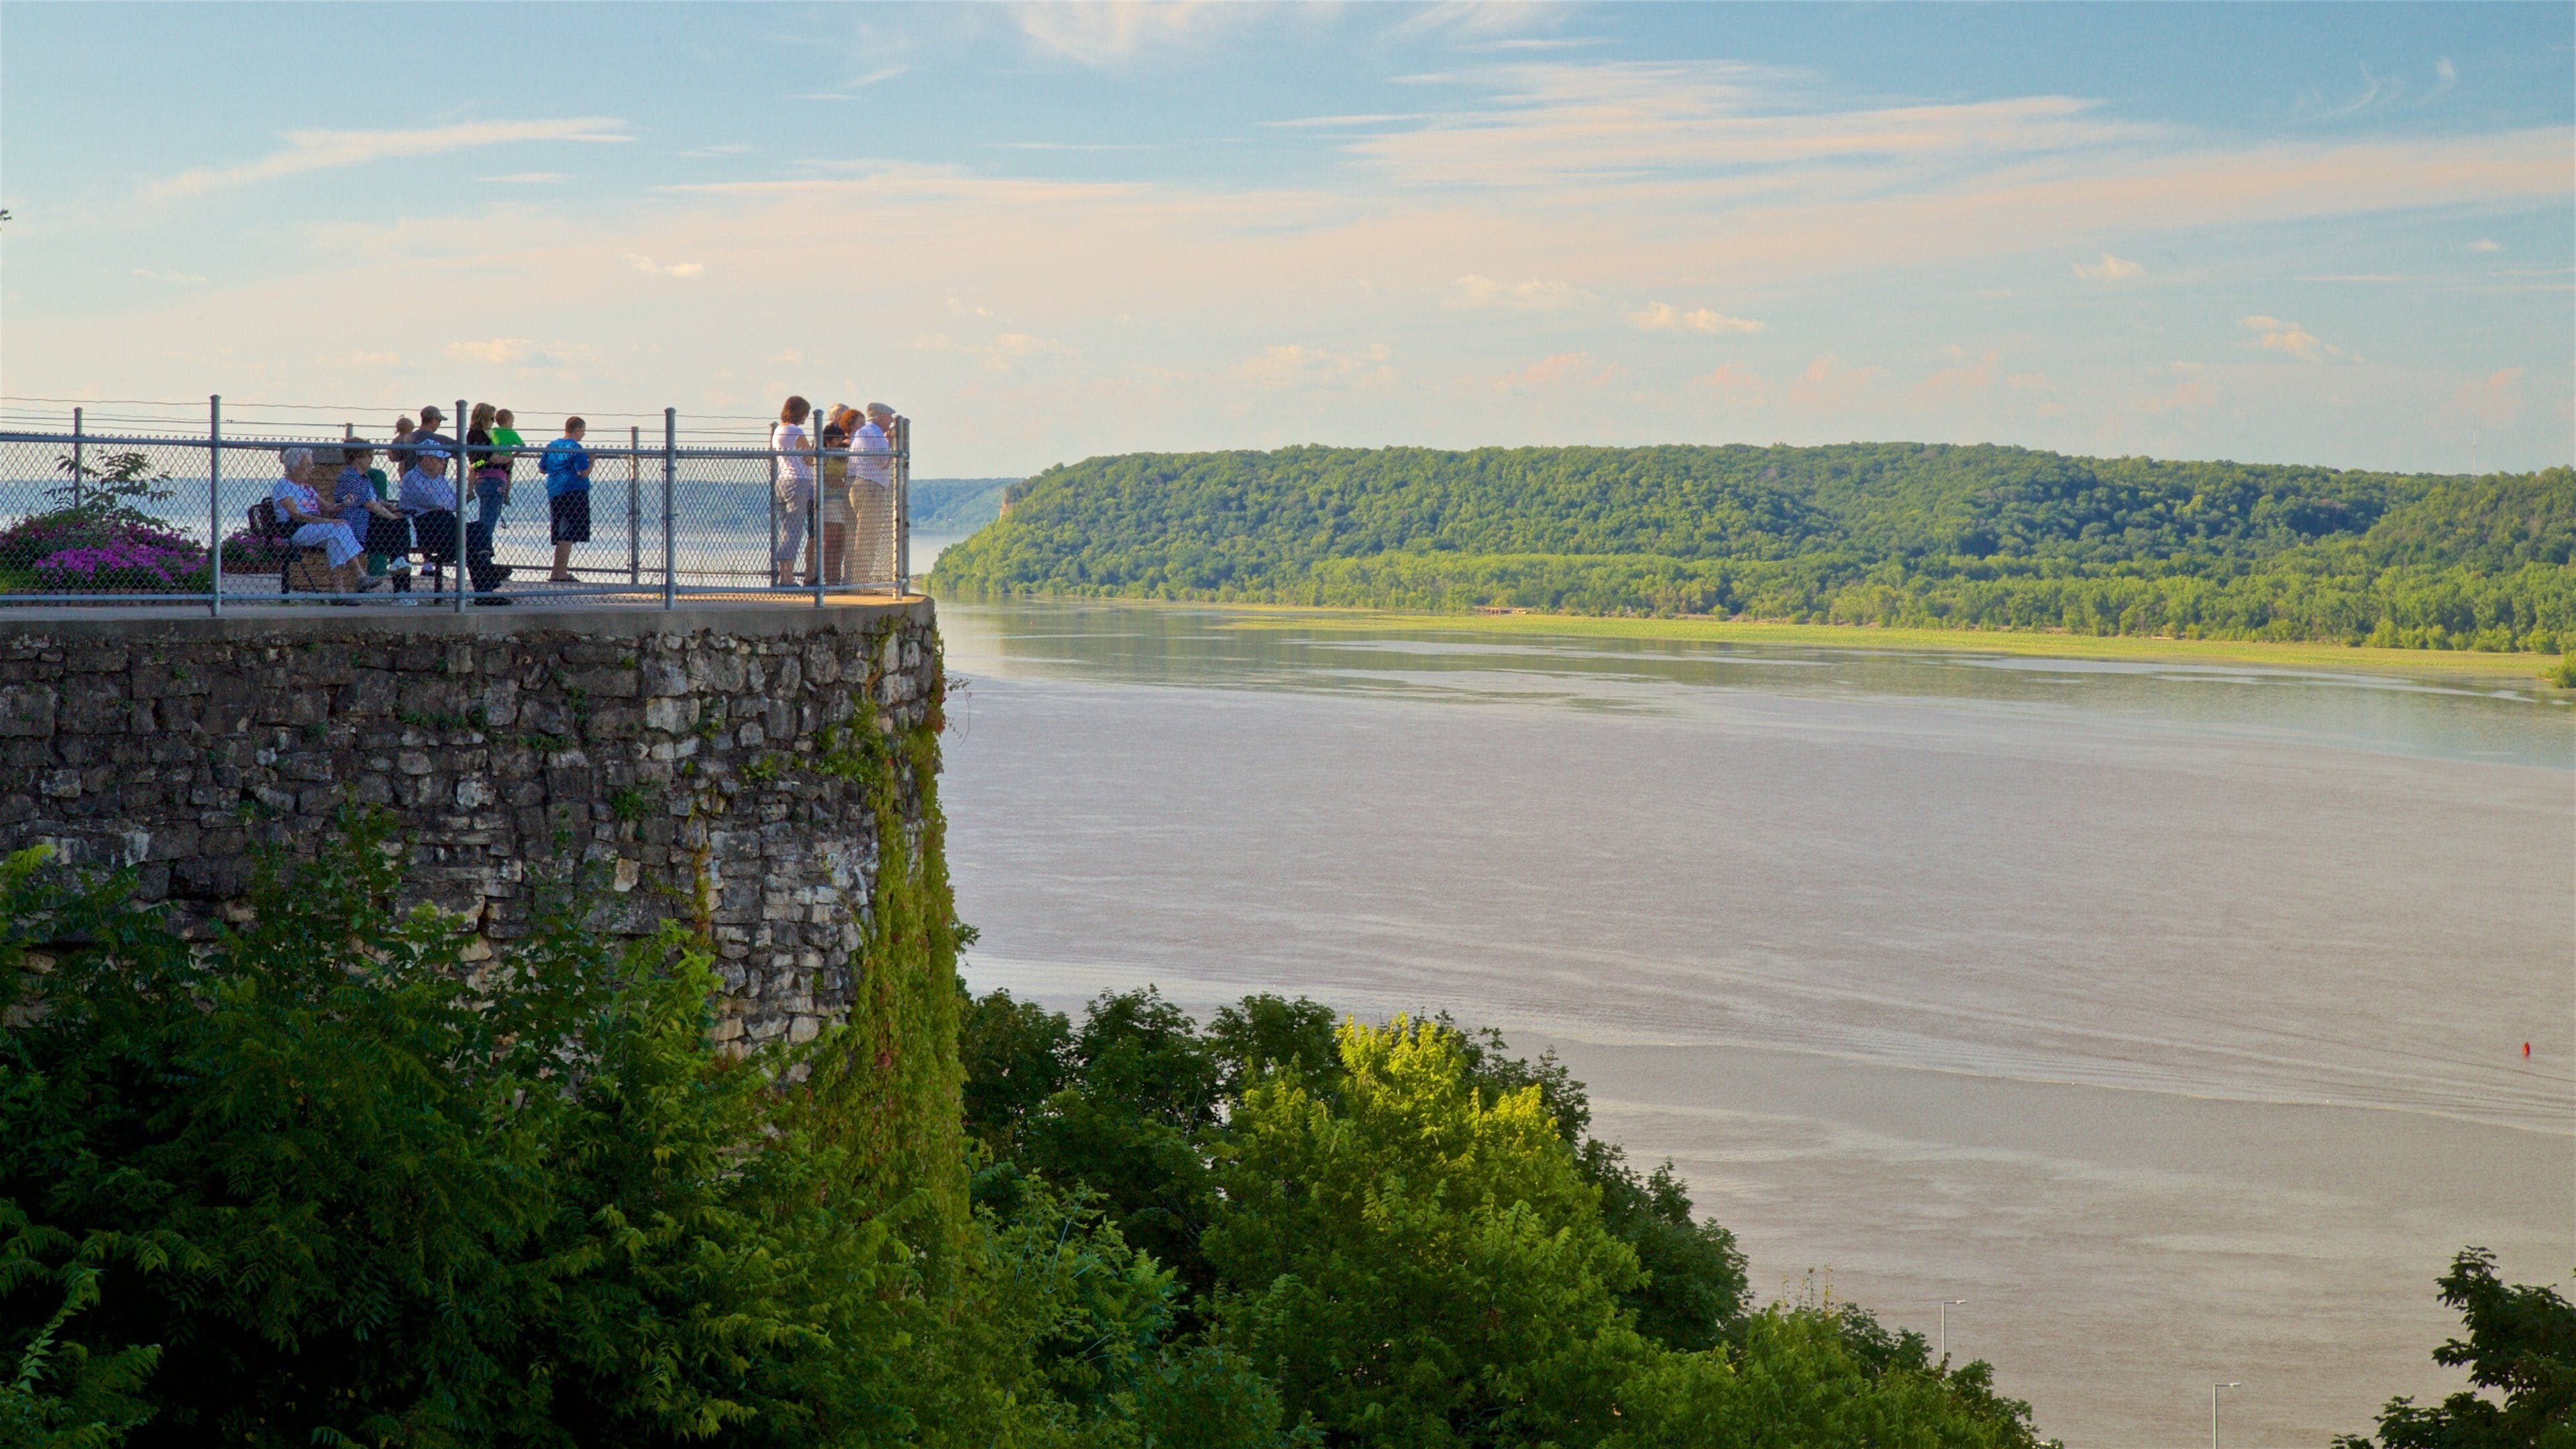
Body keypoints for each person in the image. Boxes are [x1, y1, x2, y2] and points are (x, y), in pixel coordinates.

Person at [271, 447, 372, 594]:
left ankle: (339, 592)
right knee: (341, 528)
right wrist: (328, 522)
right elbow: (296, 515)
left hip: (314, 528)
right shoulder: (284, 486)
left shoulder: (307, 488)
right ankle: (360, 574)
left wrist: (345, 504)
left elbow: (329, 508)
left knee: (335, 540)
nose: (311, 469)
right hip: (295, 528)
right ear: (295, 466)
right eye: (308, 465)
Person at [328, 444, 411, 590]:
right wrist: (393, 518)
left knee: (401, 530)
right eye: (368, 456)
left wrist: (391, 507)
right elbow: (370, 504)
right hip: (357, 525)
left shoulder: (364, 478)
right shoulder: (350, 477)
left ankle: (399, 565)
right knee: (399, 525)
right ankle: (399, 565)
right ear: (358, 458)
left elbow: (375, 499)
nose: (371, 459)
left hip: (369, 523)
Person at [540, 416, 593, 583]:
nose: (584, 434)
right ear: (578, 430)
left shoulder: (552, 445)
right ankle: (560, 572)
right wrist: (592, 461)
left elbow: (542, 469)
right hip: (573, 490)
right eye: (583, 431)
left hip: (555, 491)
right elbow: (582, 472)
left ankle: (557, 571)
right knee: (569, 533)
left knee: (561, 531)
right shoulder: (576, 448)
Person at [851, 402, 898, 589]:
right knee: (868, 537)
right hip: (871, 488)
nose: (891, 421)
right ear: (880, 417)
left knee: (862, 536)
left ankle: (858, 581)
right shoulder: (875, 434)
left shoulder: (863, 432)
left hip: (861, 486)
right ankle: (860, 583)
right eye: (889, 417)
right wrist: (892, 443)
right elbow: (883, 462)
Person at [771, 395, 816, 588]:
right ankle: (787, 577)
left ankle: (784, 573)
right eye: (806, 413)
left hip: (782, 480)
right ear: (800, 413)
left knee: (785, 529)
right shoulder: (795, 430)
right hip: (798, 482)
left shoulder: (778, 430)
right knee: (794, 531)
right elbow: (809, 458)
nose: (806, 417)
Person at [816, 418, 853, 585]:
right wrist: (838, 480)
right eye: (837, 440)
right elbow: (828, 479)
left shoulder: (843, 457)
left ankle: (835, 577)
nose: (840, 443)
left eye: (841, 439)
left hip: (842, 502)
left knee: (840, 542)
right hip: (830, 501)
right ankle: (829, 577)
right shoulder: (825, 458)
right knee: (831, 541)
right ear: (828, 441)